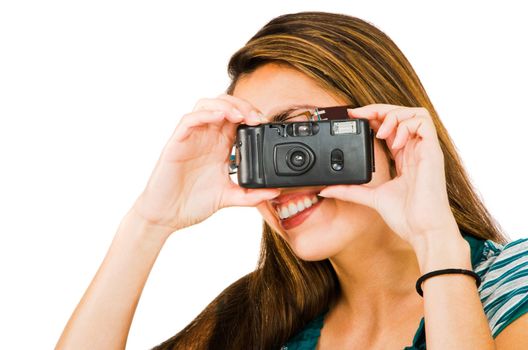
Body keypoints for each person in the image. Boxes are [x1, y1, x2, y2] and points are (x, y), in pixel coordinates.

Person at [56, 11, 528, 349]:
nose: (280, 181)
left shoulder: (513, 284)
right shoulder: (255, 317)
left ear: (386, 125)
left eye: (298, 133)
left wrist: (436, 241)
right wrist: (149, 221)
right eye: (256, 146)